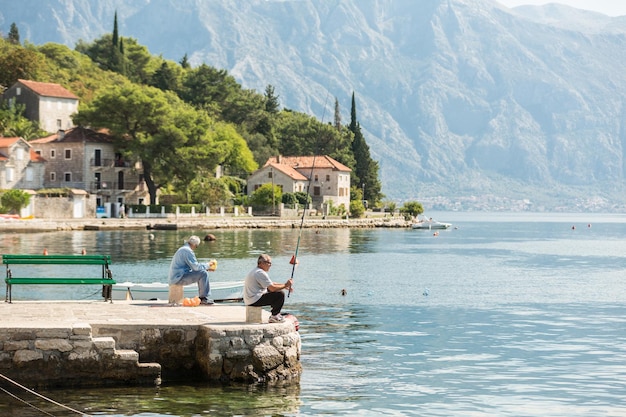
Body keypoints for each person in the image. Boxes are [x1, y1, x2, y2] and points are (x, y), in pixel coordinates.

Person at [244, 254, 293, 323]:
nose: (270, 265)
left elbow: (271, 284)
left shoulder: (257, 271)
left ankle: (275, 314)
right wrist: (285, 285)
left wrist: (285, 286)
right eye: (269, 263)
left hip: (251, 299)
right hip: (254, 300)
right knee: (280, 294)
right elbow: (272, 288)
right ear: (262, 263)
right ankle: (274, 316)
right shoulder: (260, 273)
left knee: (276, 290)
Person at [168, 235, 215, 305]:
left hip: (176, 277)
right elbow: (195, 267)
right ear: (194, 245)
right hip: (178, 278)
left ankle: (203, 297)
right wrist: (208, 265)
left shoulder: (183, 249)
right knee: (203, 274)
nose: (195, 248)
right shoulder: (187, 251)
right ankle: (203, 298)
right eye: (196, 246)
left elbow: (193, 267)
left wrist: (206, 268)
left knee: (203, 272)